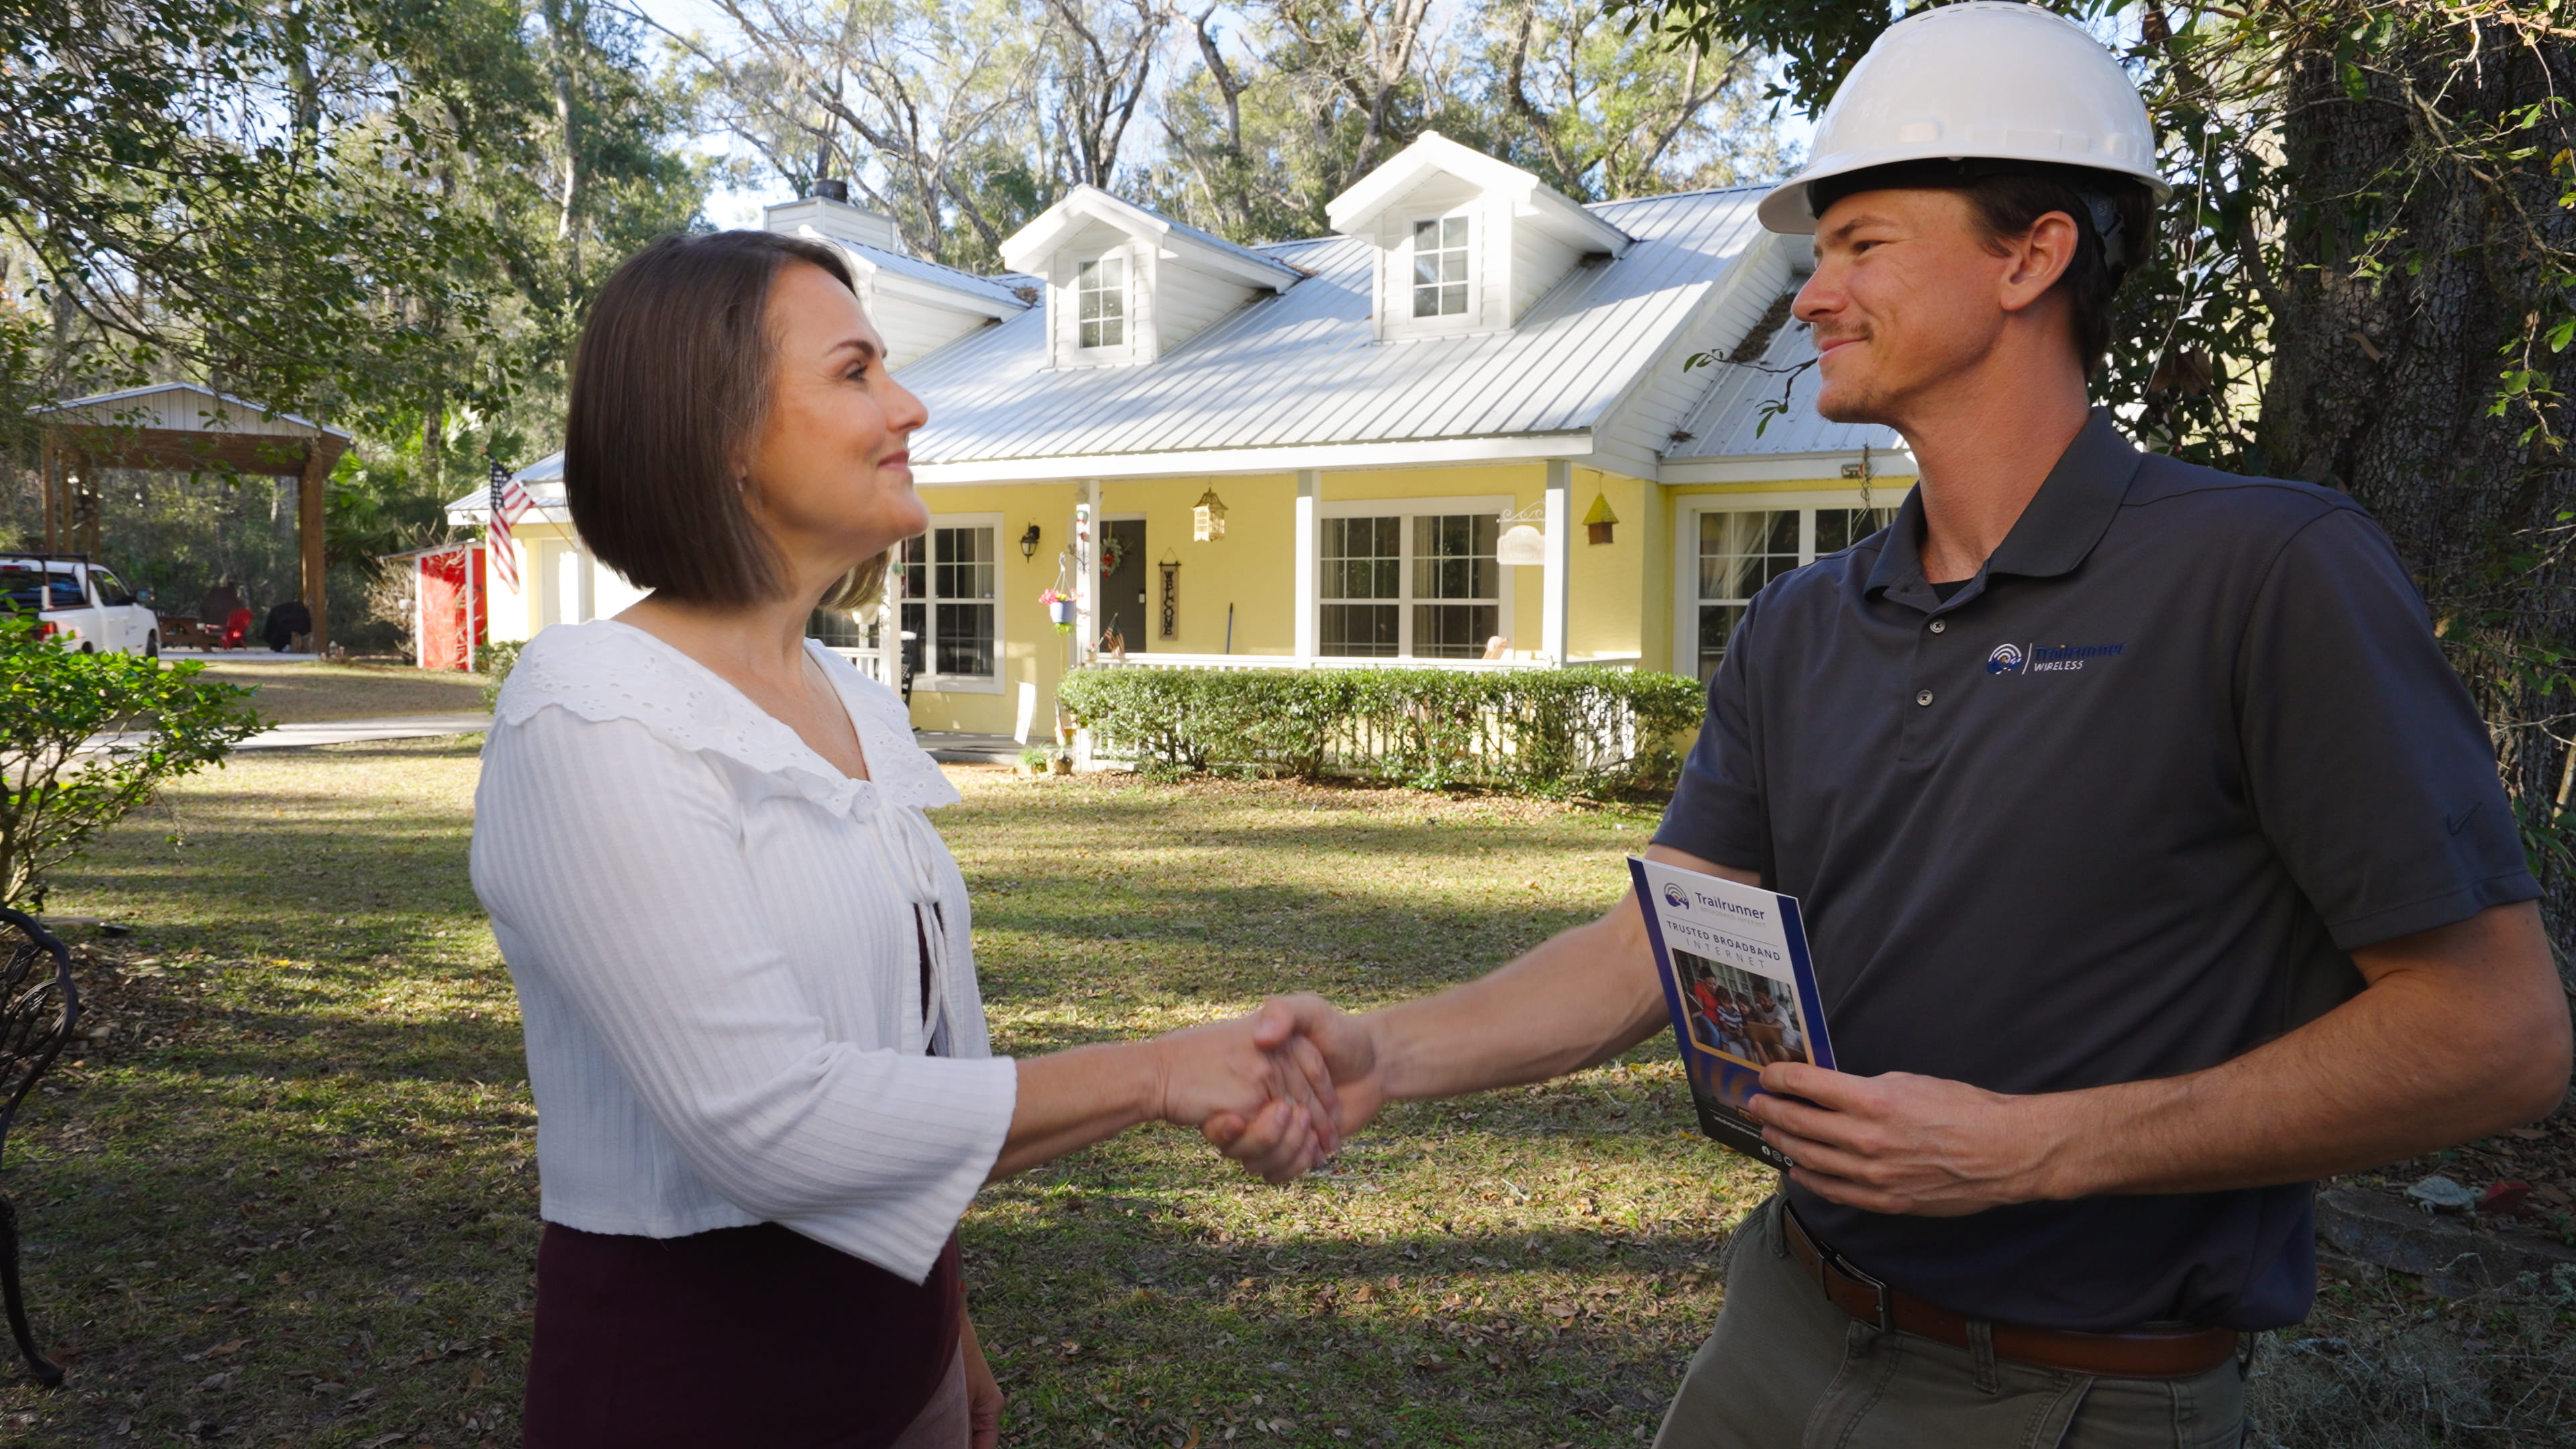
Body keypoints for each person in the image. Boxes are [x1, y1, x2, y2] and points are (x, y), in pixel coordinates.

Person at [1218, 6, 2573, 1446]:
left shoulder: (2266, 572)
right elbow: (1651, 946)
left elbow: (2493, 1034)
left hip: (2082, 1392)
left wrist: (2033, 1153)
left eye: (1862, 244)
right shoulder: (1804, 622)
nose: (1810, 294)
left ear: (2031, 256)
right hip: (1778, 1326)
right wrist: (1389, 1053)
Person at [472, 231, 1332, 1449]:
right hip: (701, 1390)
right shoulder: (593, 708)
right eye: (856, 372)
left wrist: (948, 1328)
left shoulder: (854, 700)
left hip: (902, 1357)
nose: (912, 405)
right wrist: (1155, 1072)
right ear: (718, 432)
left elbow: (917, 1063)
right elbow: (766, 1122)